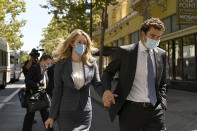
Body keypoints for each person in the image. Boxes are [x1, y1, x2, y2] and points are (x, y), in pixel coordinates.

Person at [102, 18, 168, 131]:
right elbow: (108, 72)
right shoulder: (125, 52)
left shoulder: (162, 54)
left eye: (158, 37)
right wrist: (107, 90)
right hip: (130, 111)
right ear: (143, 34)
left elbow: (164, 81)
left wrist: (162, 101)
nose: (156, 40)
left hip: (155, 111)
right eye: (152, 36)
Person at [45, 29, 102, 131]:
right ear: (72, 43)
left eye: (85, 43)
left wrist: (106, 93)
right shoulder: (61, 64)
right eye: (79, 42)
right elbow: (57, 91)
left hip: (84, 113)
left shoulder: (91, 63)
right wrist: (51, 116)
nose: (82, 45)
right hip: (66, 113)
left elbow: (97, 84)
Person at [22, 54, 54, 131]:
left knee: (45, 115)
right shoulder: (34, 67)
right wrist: (36, 85)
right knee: (30, 116)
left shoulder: (44, 69)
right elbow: (27, 80)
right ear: (43, 60)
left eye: (49, 64)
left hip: (42, 94)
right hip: (34, 95)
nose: (48, 65)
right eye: (47, 63)